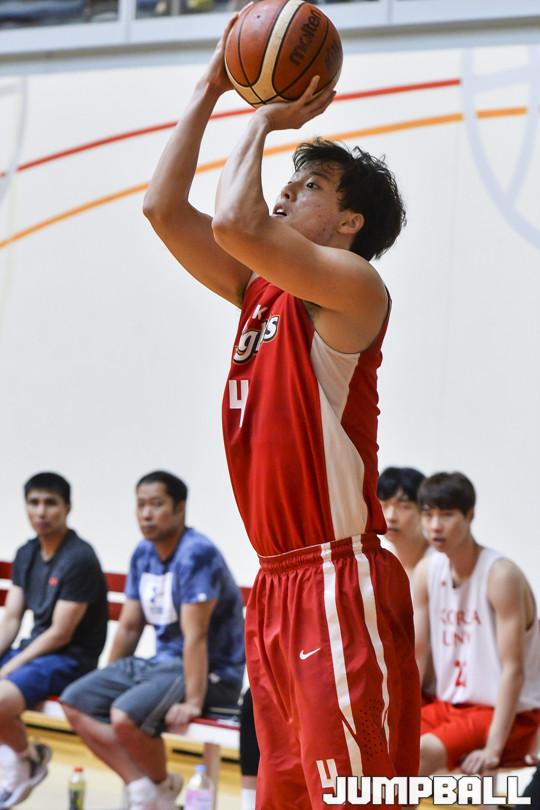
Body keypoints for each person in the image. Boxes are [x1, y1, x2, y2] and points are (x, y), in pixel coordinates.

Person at [143, 18, 419, 808]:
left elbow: (236, 222)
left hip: (337, 580)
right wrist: (211, 86)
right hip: (274, 585)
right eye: (290, 181)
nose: (288, 189)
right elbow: (163, 208)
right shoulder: (259, 292)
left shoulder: (354, 288)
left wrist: (264, 118)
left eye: (311, 186)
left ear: (349, 224)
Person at [61, 470, 245, 810]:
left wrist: (193, 701)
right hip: (161, 665)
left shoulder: (197, 554)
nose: (146, 513)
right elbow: (130, 627)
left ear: (180, 508)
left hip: (212, 673)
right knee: (75, 701)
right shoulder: (143, 553)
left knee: (124, 715)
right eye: (141, 505)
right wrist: (109, 675)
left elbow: (196, 635)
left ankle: (155, 793)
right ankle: (153, 789)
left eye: (156, 504)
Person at [413, 472, 540, 776]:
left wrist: (493, 749)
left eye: (447, 515)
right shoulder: (427, 571)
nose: (435, 526)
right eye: (428, 515)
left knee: (418, 756)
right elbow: (417, 655)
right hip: (448, 706)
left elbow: (514, 670)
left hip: (507, 713)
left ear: (470, 515)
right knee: (382, 747)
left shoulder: (500, 575)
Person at [0, 472, 108, 809]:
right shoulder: (27, 552)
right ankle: (24, 758)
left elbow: (60, 633)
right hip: (36, 651)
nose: (41, 511)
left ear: (67, 508)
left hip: (71, 659)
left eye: (50, 503)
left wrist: (9, 668)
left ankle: (25, 760)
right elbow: (12, 618)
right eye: (34, 503)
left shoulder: (79, 558)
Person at [377, 466, 428, 580]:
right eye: (383, 505)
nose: (390, 517)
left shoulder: (440, 562)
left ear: (423, 510)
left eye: (403, 507)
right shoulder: (379, 564)